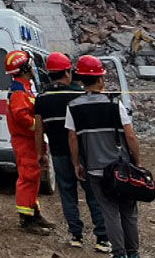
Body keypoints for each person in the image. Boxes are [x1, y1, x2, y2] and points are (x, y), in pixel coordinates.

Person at [66, 55, 143, 258]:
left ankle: (119, 254)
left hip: (94, 169)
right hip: (122, 168)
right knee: (128, 212)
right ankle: (133, 253)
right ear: (100, 79)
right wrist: (137, 162)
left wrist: (76, 164)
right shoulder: (114, 105)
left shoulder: (73, 107)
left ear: (81, 80)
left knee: (109, 212)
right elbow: (131, 136)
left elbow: (73, 139)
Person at [35, 52, 111, 252]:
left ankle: (76, 236)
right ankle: (102, 238)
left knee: (67, 194)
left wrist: (40, 153)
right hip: (83, 153)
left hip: (58, 153)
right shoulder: (78, 96)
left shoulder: (41, 99)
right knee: (93, 194)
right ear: (68, 72)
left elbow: (39, 129)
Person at [5, 49, 56, 235]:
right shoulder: (19, 91)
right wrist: (39, 126)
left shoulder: (24, 87)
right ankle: (27, 220)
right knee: (28, 177)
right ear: (24, 67)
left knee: (33, 176)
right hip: (25, 141)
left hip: (30, 140)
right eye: (30, 65)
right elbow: (21, 116)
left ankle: (34, 213)